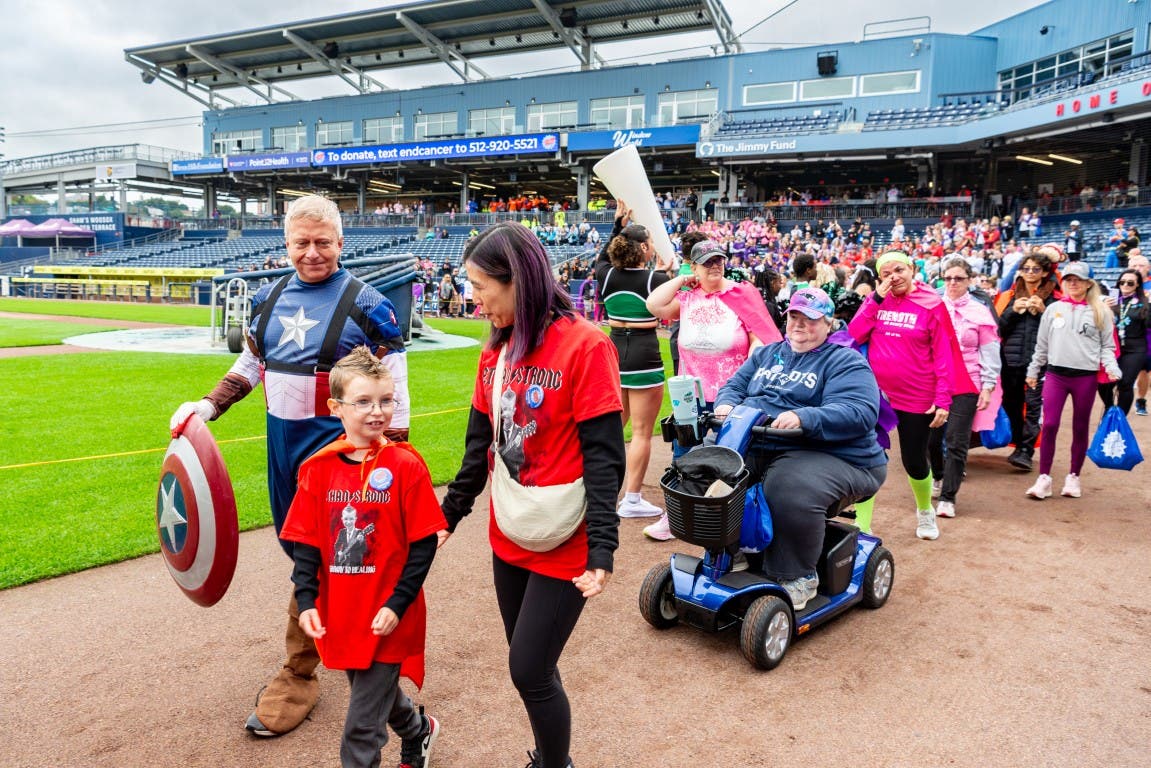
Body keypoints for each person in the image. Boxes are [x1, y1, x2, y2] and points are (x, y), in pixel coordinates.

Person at [168, 194, 411, 738]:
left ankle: (300, 674)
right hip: (283, 450)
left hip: (339, 454)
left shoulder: (369, 304)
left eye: (323, 241)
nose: (312, 252)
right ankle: (352, 646)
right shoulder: (268, 296)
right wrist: (207, 406)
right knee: (301, 551)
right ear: (286, 244)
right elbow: (251, 363)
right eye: (301, 242)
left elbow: (395, 381)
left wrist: (393, 455)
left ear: (341, 243)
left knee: (320, 557)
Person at [438, 222, 625, 768]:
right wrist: (449, 515)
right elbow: (480, 446)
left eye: (480, 287)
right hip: (511, 527)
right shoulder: (494, 348)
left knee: (528, 669)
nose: (474, 301)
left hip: (566, 537)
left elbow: (604, 456)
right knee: (534, 662)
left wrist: (603, 550)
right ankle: (548, 755)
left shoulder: (586, 346)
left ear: (517, 278)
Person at [280, 347, 443, 768]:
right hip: (343, 612)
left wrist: (397, 603)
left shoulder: (406, 466)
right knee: (377, 694)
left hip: (389, 613)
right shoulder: (318, 469)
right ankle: (418, 730)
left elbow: (424, 543)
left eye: (386, 400)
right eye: (364, 401)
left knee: (360, 727)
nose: (378, 412)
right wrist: (308, 601)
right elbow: (307, 544)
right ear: (336, 407)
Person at [713, 287, 887, 610]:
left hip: (841, 456)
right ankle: (733, 550)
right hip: (770, 444)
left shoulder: (845, 361)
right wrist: (726, 404)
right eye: (794, 316)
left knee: (788, 486)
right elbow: (734, 386)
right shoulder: (767, 354)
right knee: (713, 465)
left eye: (810, 319)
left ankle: (798, 576)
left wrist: (803, 417)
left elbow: (860, 412)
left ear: (829, 323)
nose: (799, 325)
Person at [645, 239, 782, 541]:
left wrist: (751, 363)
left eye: (719, 260)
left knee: (732, 455)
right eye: (706, 262)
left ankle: (729, 519)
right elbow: (653, 305)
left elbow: (761, 335)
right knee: (683, 453)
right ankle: (676, 515)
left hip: (729, 393)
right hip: (690, 391)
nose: (715, 266)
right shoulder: (687, 298)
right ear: (693, 267)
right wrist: (681, 279)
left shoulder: (741, 294)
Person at [848, 248, 973, 541]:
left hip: (917, 396)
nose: (893, 278)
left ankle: (925, 511)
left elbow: (945, 355)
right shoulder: (878, 301)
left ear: (912, 270)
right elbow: (854, 334)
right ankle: (862, 526)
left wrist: (943, 399)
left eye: (899, 271)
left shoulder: (932, 305)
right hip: (878, 396)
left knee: (914, 460)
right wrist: (875, 298)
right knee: (868, 457)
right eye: (886, 274)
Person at [594, 202, 670, 519]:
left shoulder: (606, 275)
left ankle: (599, 492)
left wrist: (616, 225)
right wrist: (671, 271)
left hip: (614, 353)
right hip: (643, 354)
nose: (653, 245)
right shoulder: (655, 279)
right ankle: (633, 499)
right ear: (642, 247)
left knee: (613, 429)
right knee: (641, 432)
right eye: (650, 241)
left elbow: (601, 257)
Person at [1025, 261, 1121, 499]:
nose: (1073, 283)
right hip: (1056, 375)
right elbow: (1042, 345)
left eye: (1078, 279)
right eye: (1068, 279)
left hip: (1085, 377)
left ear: (1089, 283)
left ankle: (1074, 476)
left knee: (1080, 426)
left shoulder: (1101, 311)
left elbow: (1107, 346)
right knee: (1049, 424)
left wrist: (1111, 367)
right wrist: (1033, 369)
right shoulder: (1053, 309)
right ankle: (1044, 478)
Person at [927, 258, 1002, 519]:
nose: (952, 283)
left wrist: (989, 385)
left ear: (969, 280)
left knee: (957, 440)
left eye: (958, 278)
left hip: (968, 380)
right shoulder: (933, 307)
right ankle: (938, 476)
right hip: (936, 381)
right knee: (931, 438)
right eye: (947, 278)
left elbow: (990, 349)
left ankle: (948, 496)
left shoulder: (980, 311)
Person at [994, 247, 1062, 471]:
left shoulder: (1056, 300)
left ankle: (1026, 450)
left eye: (1036, 269)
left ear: (1044, 272)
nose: (1030, 272)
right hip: (1011, 362)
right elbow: (997, 330)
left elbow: (1062, 331)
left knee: (1034, 406)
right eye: (1026, 268)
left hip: (1040, 363)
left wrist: (1044, 311)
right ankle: (1019, 444)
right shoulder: (1009, 296)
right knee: (1011, 405)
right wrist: (1013, 310)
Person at [1098, 269, 1149, 414]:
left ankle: (1120, 419)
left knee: (1125, 384)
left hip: (1135, 348)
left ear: (1137, 285)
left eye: (1130, 283)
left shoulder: (1144, 302)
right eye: (1122, 282)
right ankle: (1109, 410)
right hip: (1111, 346)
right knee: (1104, 382)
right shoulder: (1110, 300)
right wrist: (1103, 308)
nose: (1125, 285)